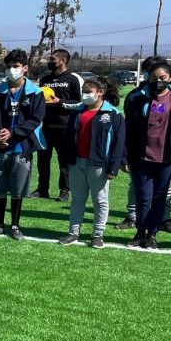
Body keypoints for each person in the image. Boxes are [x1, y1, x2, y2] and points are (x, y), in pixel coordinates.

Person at [0, 49, 46, 240]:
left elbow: (35, 119)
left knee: (18, 189)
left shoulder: (35, 93)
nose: (11, 70)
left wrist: (13, 133)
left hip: (21, 147)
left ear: (25, 68)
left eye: (16, 66)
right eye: (8, 67)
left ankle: (15, 225)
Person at [56, 78, 124, 248]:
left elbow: (119, 143)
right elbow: (69, 137)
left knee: (100, 201)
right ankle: (73, 232)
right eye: (83, 91)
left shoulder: (113, 114)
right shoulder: (78, 112)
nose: (84, 94)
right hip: (76, 162)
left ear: (100, 92)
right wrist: (67, 159)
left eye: (88, 91)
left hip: (99, 165)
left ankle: (98, 234)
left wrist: (114, 167)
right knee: (78, 199)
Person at [116, 56, 171, 232]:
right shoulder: (136, 97)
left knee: (162, 194)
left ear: (170, 77)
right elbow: (128, 127)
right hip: (141, 156)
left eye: (162, 77)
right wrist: (124, 156)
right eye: (153, 76)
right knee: (142, 195)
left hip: (167, 157)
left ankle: (157, 227)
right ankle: (138, 226)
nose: (158, 81)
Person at [35, 48, 83, 201]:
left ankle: (64, 190)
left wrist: (60, 102)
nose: (50, 61)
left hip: (65, 126)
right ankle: (42, 189)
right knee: (43, 160)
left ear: (63, 61)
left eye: (53, 59)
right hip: (46, 126)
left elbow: (80, 103)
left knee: (64, 160)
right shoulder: (45, 79)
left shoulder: (72, 79)